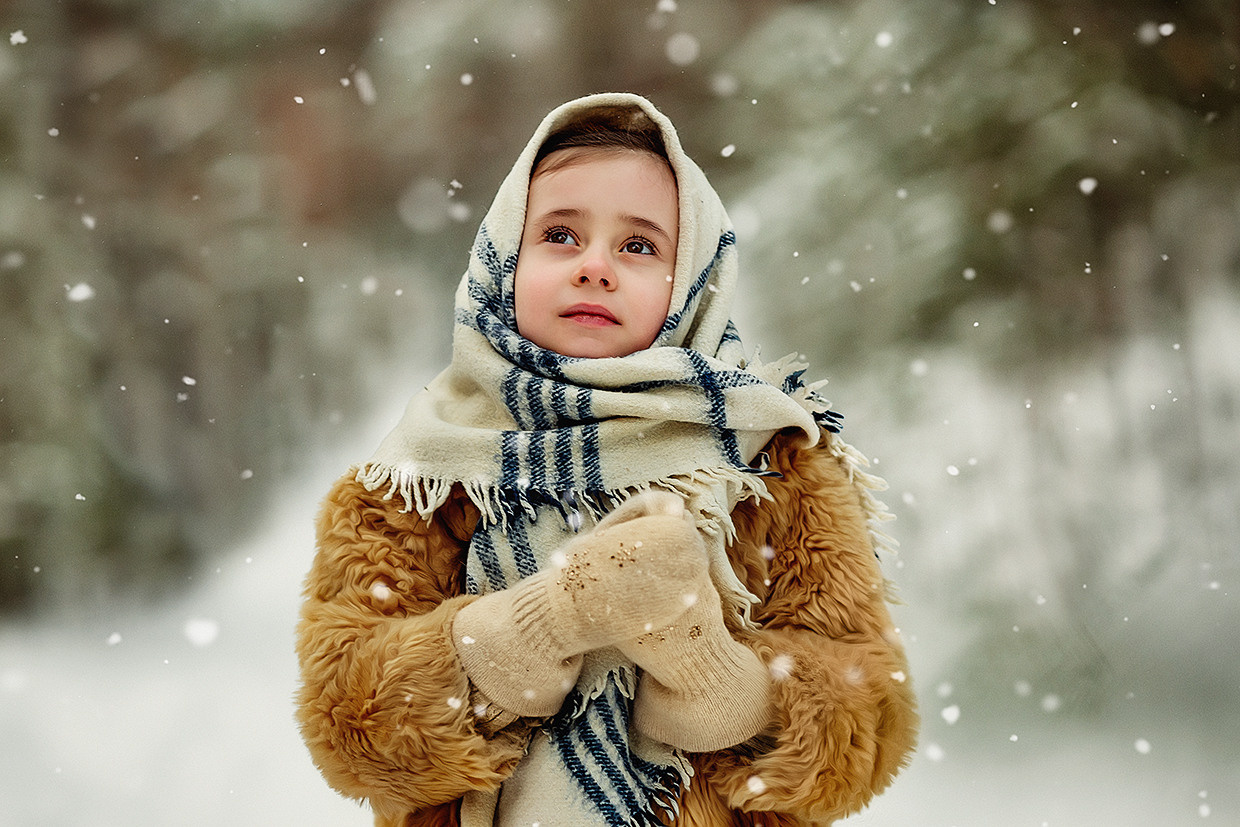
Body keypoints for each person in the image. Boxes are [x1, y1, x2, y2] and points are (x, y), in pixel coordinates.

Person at [296, 92, 917, 827]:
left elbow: (864, 720)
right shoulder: (418, 473)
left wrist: (700, 661)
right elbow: (349, 722)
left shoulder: (769, 458)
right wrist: (551, 620)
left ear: (690, 280)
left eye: (639, 246)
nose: (595, 266)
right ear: (505, 255)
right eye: (560, 234)